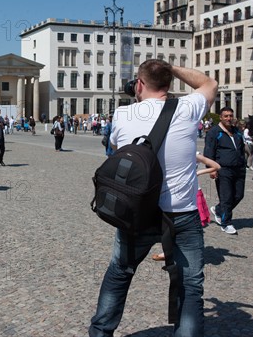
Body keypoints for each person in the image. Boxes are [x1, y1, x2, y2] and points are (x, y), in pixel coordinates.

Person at [89, 59, 217, 337]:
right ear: (170, 83)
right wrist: (171, 67)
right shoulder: (187, 107)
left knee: (120, 273)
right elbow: (208, 83)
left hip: (137, 212)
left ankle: (100, 332)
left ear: (139, 84)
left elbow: (114, 148)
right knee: (190, 285)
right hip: (181, 212)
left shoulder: (123, 114)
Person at [204, 107, 246, 235]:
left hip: (238, 168)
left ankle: (218, 210)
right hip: (223, 169)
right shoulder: (214, 132)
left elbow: (242, 149)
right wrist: (211, 169)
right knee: (226, 197)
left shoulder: (237, 132)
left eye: (230, 116)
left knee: (239, 195)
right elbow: (209, 151)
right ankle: (226, 223)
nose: (229, 118)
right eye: (226, 116)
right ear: (221, 117)